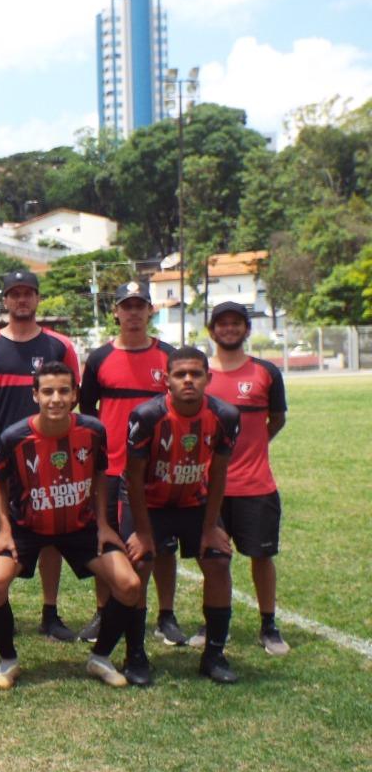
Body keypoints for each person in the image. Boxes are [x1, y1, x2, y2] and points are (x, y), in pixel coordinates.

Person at [0, 362, 146, 690]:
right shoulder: (15, 437)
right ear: (35, 395)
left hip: (80, 526)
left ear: (74, 396)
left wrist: (102, 523)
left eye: (63, 391)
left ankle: (100, 657)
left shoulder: (93, 430)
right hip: (28, 527)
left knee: (129, 584)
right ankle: (9, 660)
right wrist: (4, 528)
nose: (55, 398)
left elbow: (100, 473)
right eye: (47, 391)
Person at [0, 270, 82, 642]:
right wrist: (4, 424)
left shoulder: (59, 346)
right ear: (4, 300)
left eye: (28, 293)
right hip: (2, 457)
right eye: (14, 294)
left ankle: (50, 611)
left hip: (50, 458)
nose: (21, 300)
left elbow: (72, 395)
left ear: (37, 299)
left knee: (50, 535)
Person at [124, 346, 241, 684]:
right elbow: (133, 477)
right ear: (166, 380)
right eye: (180, 374)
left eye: (196, 374)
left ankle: (214, 655)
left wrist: (210, 528)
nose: (188, 380)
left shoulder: (226, 416)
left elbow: (218, 474)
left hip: (194, 502)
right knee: (140, 564)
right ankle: (135, 656)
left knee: (218, 560)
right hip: (150, 502)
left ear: (209, 378)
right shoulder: (146, 416)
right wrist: (144, 534)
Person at [77, 280, 184, 647]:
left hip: (156, 469)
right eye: (127, 306)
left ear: (150, 311)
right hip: (109, 467)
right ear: (116, 312)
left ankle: (166, 616)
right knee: (106, 543)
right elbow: (87, 411)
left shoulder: (168, 357)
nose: (134, 313)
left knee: (161, 545)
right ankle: (104, 611)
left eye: (140, 306)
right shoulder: (99, 358)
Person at [205, 301, 289, 655]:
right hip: (208, 488)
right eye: (221, 323)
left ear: (246, 329)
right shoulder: (199, 374)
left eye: (236, 323)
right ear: (211, 330)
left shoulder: (266, 373)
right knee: (212, 560)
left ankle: (268, 625)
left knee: (260, 557)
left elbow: (277, 419)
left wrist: (253, 447)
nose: (228, 328)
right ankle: (210, 623)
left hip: (256, 486)